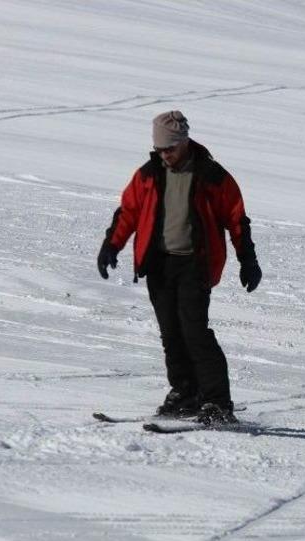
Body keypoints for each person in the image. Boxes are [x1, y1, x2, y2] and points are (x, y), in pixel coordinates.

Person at [97, 110, 262, 424]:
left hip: (194, 265)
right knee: (171, 334)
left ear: (183, 143)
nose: (164, 155)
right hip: (158, 264)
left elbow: (237, 220)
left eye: (169, 149)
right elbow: (129, 212)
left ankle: (217, 402)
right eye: (159, 150)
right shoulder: (149, 174)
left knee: (195, 332)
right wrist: (111, 246)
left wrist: (248, 260)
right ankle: (185, 392)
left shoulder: (211, 175)